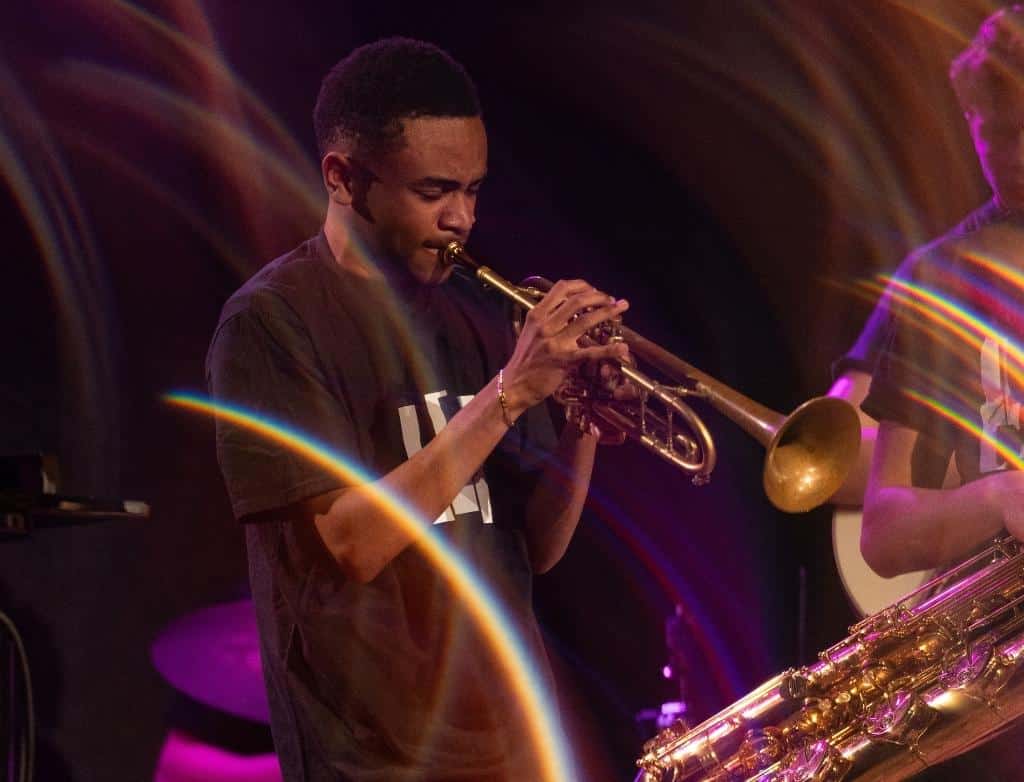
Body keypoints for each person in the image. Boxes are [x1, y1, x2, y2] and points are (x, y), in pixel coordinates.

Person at [206, 38, 629, 781]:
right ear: (343, 177)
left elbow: (534, 551)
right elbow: (353, 542)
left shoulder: (477, 310)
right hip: (372, 755)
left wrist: (582, 421)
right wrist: (509, 396)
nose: (461, 217)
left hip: (512, 737)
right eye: (434, 192)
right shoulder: (273, 323)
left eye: (472, 189)